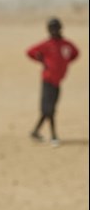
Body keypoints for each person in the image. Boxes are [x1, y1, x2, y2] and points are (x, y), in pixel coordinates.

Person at [27, 17, 79, 146]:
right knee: (48, 109)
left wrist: (66, 62)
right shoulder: (46, 44)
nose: (54, 31)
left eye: (56, 28)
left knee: (49, 109)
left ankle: (35, 131)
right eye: (52, 29)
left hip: (57, 82)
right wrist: (42, 60)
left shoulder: (66, 44)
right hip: (48, 80)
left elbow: (76, 53)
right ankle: (54, 136)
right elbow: (30, 52)